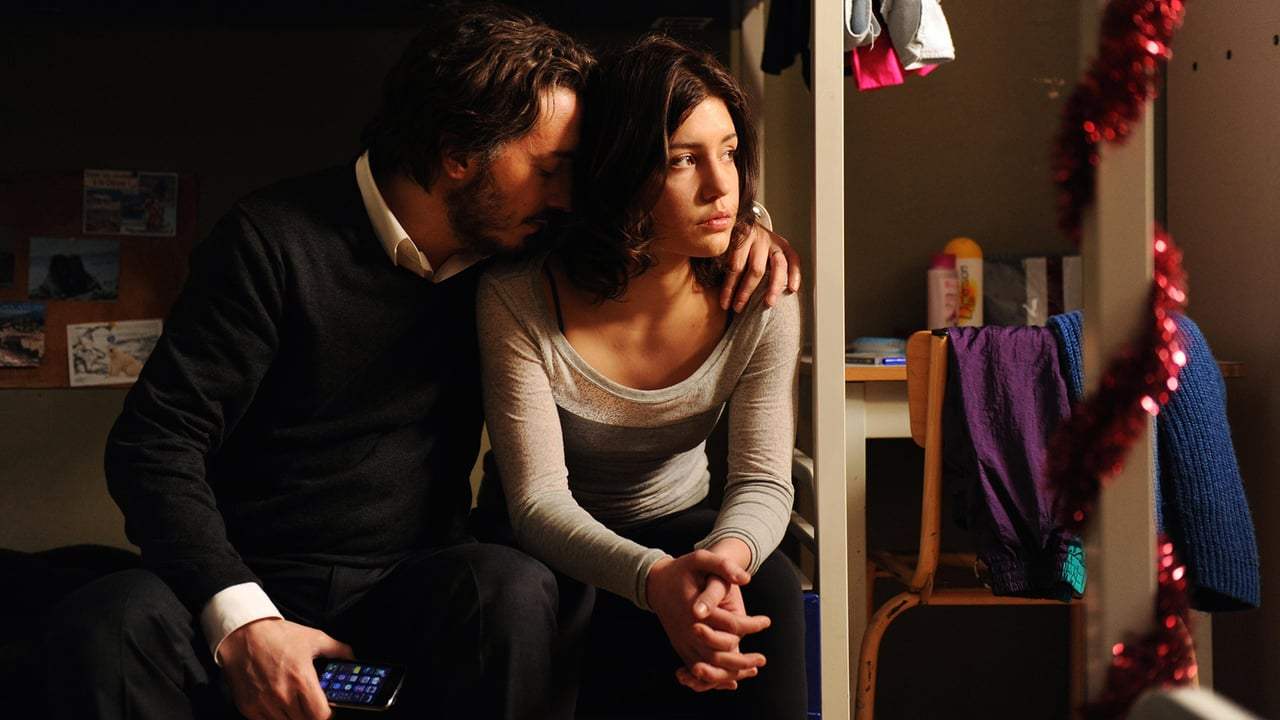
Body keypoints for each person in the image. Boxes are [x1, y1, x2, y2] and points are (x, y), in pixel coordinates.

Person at [42, 6, 799, 720]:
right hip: (251, 567)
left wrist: (750, 228)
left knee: (510, 587)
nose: (570, 196)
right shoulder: (272, 243)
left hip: (410, 581)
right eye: (550, 169)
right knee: (111, 622)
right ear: (459, 156)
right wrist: (243, 619)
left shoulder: (517, 251)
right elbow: (155, 445)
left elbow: (648, 196)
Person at [477, 35, 807, 719]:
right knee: (527, 598)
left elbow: (763, 480)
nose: (722, 187)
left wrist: (723, 565)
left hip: (684, 525)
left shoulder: (761, 289)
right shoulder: (519, 295)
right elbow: (538, 502)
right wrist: (655, 580)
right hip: (546, 543)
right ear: (621, 170)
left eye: (729, 153)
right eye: (684, 160)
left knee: (770, 585)